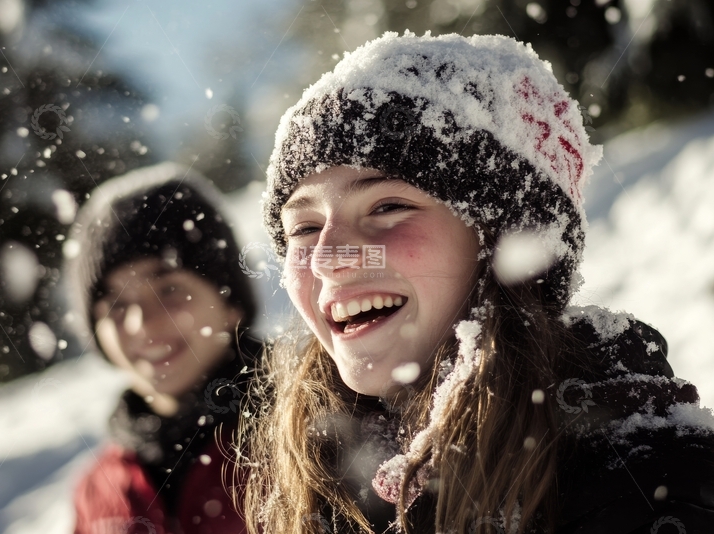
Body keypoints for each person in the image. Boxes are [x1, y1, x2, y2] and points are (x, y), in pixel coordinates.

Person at [240, 32, 714, 534]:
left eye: (388, 207)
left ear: (505, 241)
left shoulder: (648, 484)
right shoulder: (320, 483)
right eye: (305, 229)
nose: (328, 261)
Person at [65, 162, 260, 534]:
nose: (142, 324)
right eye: (116, 305)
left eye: (169, 288)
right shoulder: (97, 491)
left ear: (230, 302)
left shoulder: (312, 434)